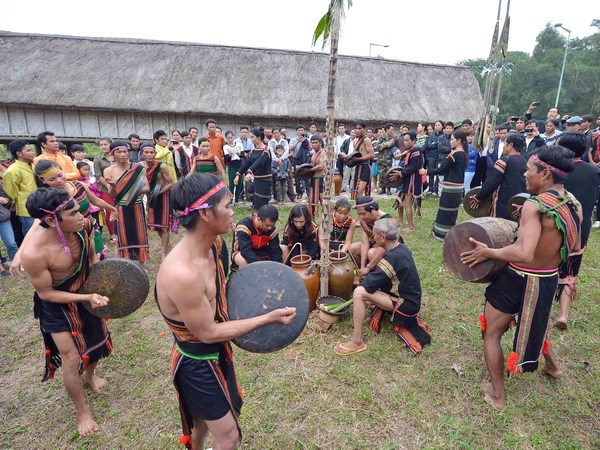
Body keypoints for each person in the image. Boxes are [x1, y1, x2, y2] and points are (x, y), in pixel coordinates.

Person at [156, 174, 296, 450]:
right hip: (197, 361)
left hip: (217, 351)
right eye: (228, 206)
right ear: (206, 214)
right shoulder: (183, 273)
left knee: (202, 422)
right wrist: (268, 318)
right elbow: (208, 333)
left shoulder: (215, 245)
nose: (233, 212)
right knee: (228, 436)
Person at [461, 146, 582, 408]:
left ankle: (498, 396)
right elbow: (573, 246)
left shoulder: (535, 205)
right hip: (547, 279)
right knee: (536, 322)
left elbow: (524, 253)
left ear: (545, 174)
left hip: (518, 277)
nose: (525, 174)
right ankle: (553, 367)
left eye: (529, 170)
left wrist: (487, 251)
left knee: (492, 333)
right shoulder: (573, 203)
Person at [19, 188, 112, 436]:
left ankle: (90, 377)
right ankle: (82, 411)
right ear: (52, 221)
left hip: (86, 292)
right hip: (56, 306)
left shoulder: (84, 226)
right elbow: (46, 294)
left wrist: (97, 286)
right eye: (73, 213)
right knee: (71, 358)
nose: (81, 216)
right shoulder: (34, 253)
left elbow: (91, 258)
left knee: (96, 341)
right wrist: (86, 297)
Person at [334, 218, 430, 355]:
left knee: (359, 292)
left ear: (383, 238)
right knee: (366, 293)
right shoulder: (401, 248)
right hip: (412, 298)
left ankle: (356, 341)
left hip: (407, 304)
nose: (373, 238)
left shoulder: (392, 257)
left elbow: (368, 285)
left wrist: (365, 277)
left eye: (375, 236)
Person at [553, 132, 600, 329]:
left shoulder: (556, 170)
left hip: (555, 225)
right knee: (571, 269)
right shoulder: (594, 171)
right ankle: (563, 315)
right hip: (581, 228)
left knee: (548, 267)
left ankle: (542, 307)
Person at [34, 159, 116, 258]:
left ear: (63, 171)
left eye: (60, 175)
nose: (59, 180)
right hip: (71, 235)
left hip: (91, 228)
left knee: (99, 258)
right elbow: (38, 224)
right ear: (43, 181)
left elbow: (96, 201)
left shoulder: (78, 185)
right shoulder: (49, 198)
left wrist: (113, 209)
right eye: (52, 179)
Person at [103, 141, 150, 263]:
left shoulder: (138, 168)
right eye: (119, 152)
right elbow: (113, 194)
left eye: (125, 151)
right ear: (113, 154)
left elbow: (147, 188)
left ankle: (140, 265)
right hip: (121, 207)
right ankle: (124, 264)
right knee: (122, 237)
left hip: (136, 205)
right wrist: (113, 185)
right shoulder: (108, 171)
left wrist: (134, 189)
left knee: (139, 235)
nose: (123, 154)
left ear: (129, 153)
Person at [469, 133, 527, 220]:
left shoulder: (504, 160)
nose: (503, 146)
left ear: (510, 145)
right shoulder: (525, 162)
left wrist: (479, 197)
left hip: (503, 203)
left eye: (505, 143)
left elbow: (492, 182)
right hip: (518, 204)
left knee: (499, 225)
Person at [426, 130, 468, 240]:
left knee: (445, 210)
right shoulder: (463, 154)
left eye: (452, 139)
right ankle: (449, 232)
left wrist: (426, 171)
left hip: (450, 187)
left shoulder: (455, 154)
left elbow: (441, 169)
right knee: (452, 211)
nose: (450, 141)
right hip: (458, 187)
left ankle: (441, 234)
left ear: (459, 141)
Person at [140, 144, 174, 260]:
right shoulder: (139, 166)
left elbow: (170, 183)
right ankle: (168, 246)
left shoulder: (161, 166)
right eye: (146, 152)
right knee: (155, 225)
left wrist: (158, 193)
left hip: (163, 197)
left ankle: (164, 252)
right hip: (150, 197)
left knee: (164, 225)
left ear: (155, 154)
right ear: (141, 154)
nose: (149, 155)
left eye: (152, 152)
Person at [349, 196, 393, 275]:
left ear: (373, 209)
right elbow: (365, 243)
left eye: (363, 214)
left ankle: (377, 277)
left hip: (389, 251)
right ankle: (366, 275)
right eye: (359, 214)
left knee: (371, 253)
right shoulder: (365, 221)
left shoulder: (387, 221)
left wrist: (368, 268)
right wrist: (362, 267)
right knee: (352, 248)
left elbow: (383, 248)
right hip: (374, 247)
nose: (361, 217)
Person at [390, 131, 423, 233]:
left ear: (413, 140)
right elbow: (406, 153)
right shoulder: (410, 150)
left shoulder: (416, 151)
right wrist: (399, 155)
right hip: (406, 179)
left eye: (407, 140)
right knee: (400, 200)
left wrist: (400, 173)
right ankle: (400, 220)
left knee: (407, 204)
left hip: (412, 180)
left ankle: (411, 227)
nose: (405, 142)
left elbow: (414, 167)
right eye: (404, 140)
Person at [2, 140, 37, 235]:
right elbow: (10, 192)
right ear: (19, 153)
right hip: (26, 210)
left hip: (40, 206)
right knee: (31, 236)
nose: (32, 152)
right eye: (28, 150)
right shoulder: (12, 171)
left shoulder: (33, 166)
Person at [232, 204, 282, 269]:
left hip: (262, 253)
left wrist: (277, 266)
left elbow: (275, 249)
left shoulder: (272, 230)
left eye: (272, 225)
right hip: (242, 253)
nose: (270, 228)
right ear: (258, 218)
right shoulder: (243, 227)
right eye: (267, 225)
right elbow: (245, 250)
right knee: (243, 261)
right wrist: (260, 266)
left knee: (283, 249)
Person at [234, 128, 272, 211]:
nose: (251, 139)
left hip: (264, 181)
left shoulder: (266, 151)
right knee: (255, 203)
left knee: (262, 204)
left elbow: (259, 162)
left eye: (252, 137)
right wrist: (238, 174)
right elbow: (247, 163)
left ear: (259, 138)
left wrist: (250, 171)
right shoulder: (254, 151)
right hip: (256, 180)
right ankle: (256, 218)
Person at [93, 137, 118, 243]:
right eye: (101, 145)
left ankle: (123, 231)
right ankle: (113, 234)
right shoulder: (98, 159)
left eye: (105, 144)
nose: (103, 146)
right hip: (105, 188)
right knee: (109, 210)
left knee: (122, 208)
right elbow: (98, 175)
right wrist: (108, 185)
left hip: (121, 187)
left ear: (111, 145)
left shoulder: (118, 155)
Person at [349, 120, 375, 199]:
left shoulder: (366, 140)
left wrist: (357, 159)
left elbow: (372, 155)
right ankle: (359, 206)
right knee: (355, 193)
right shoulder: (355, 142)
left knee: (359, 193)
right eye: (356, 128)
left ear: (364, 129)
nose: (357, 130)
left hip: (365, 167)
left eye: (359, 128)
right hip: (358, 167)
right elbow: (354, 156)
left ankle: (362, 206)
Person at [306, 135, 326, 219]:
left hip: (320, 179)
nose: (314, 144)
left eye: (316, 143)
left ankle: (327, 219)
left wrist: (308, 170)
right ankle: (313, 220)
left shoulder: (323, 152)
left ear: (320, 143)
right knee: (312, 201)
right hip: (313, 179)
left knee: (323, 200)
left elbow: (321, 166)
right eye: (312, 143)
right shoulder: (313, 154)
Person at [223, 130, 244, 204]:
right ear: (226, 139)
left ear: (234, 137)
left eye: (231, 138)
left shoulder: (239, 144)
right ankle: (230, 200)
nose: (230, 139)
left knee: (239, 183)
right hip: (231, 166)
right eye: (228, 138)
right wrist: (229, 155)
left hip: (239, 165)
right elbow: (226, 159)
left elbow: (243, 156)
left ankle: (237, 200)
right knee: (232, 184)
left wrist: (239, 154)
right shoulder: (225, 147)